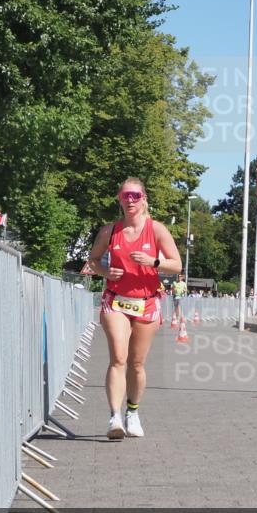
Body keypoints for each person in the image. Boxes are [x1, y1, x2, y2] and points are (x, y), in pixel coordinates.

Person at [87, 178, 182, 440]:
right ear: (119, 198)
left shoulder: (157, 230)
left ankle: (133, 412)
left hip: (147, 302)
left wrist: (154, 261)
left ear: (144, 198)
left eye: (135, 196)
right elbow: (92, 261)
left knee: (136, 364)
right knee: (118, 357)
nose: (130, 200)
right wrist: (106, 270)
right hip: (115, 299)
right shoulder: (109, 231)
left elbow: (177, 265)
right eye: (126, 196)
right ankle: (114, 418)